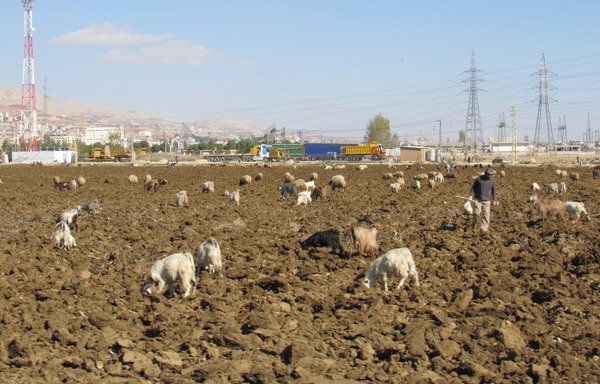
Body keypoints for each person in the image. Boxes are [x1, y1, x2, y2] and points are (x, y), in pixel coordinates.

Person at [469, 167, 498, 232]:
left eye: (491, 175)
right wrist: (471, 195)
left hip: (487, 200)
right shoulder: (479, 179)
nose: (490, 176)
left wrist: (494, 200)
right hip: (478, 199)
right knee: (476, 213)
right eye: (489, 175)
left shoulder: (492, 181)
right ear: (485, 174)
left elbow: (494, 191)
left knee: (486, 215)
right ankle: (473, 226)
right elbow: (473, 188)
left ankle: (484, 229)